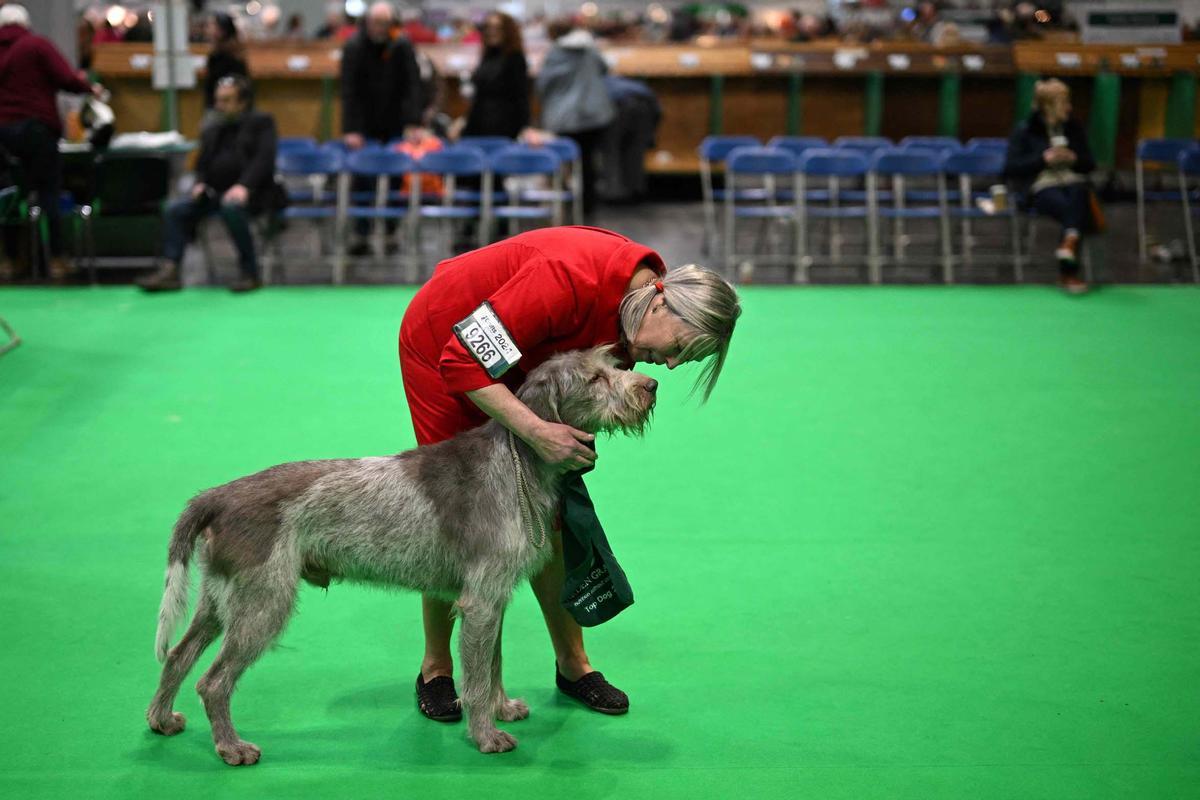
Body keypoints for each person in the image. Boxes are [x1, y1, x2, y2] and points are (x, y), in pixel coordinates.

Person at [398, 226, 740, 721]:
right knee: (461, 514)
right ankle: (436, 667)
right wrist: (538, 432)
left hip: (521, 350)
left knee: (545, 503)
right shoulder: (566, 278)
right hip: (445, 343)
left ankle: (573, 664)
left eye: (682, 361)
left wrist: (554, 443)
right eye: (679, 349)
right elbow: (466, 359)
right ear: (663, 307)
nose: (668, 364)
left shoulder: (637, 313)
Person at [137, 76, 278, 293]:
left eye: (226, 100)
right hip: (214, 194)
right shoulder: (213, 126)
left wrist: (244, 186)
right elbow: (203, 163)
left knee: (231, 208)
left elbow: (264, 160)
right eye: (218, 100)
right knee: (175, 209)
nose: (219, 106)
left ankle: (250, 273)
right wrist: (200, 184)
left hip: (254, 194)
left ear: (242, 102)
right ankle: (171, 270)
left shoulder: (262, 122)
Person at [0, 3, 102, 283]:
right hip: (36, 129)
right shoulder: (36, 45)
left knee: (9, 197)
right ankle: (56, 259)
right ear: (24, 23)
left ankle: (8, 261)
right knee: (49, 193)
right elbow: (65, 77)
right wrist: (88, 88)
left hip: (2, 133)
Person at [340, 1, 424, 253]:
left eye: (385, 23)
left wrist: (413, 122)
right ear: (367, 22)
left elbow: (413, 86)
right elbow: (348, 90)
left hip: (396, 122)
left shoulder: (402, 44)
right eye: (376, 22)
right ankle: (362, 233)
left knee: (397, 179)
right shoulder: (354, 46)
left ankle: (390, 231)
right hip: (364, 124)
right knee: (363, 179)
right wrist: (351, 128)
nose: (380, 28)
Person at [1004, 78, 1098, 294]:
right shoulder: (1025, 130)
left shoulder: (1073, 128)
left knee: (1079, 194)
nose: (1069, 108)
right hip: (1040, 186)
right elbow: (1010, 167)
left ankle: (1068, 246)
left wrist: (1073, 157)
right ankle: (1069, 267)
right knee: (1073, 210)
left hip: (1073, 182)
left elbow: (1090, 163)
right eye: (1064, 103)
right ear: (1048, 105)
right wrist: (1043, 159)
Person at [535, 21, 615, 218]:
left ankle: (567, 201)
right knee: (588, 161)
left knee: (564, 160)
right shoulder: (590, 48)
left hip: (564, 116)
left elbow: (543, 84)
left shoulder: (554, 53)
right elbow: (604, 69)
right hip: (594, 114)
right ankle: (587, 205)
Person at [454, 12, 529, 141]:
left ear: (507, 31)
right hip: (479, 122)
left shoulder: (515, 58)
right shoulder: (487, 56)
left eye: (497, 28)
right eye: (488, 27)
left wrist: (525, 127)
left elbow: (521, 95)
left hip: (504, 126)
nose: (491, 32)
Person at [202, 12, 248, 110]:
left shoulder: (228, 56)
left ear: (221, 31)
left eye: (211, 25)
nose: (208, 30)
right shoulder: (218, 54)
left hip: (227, 109)